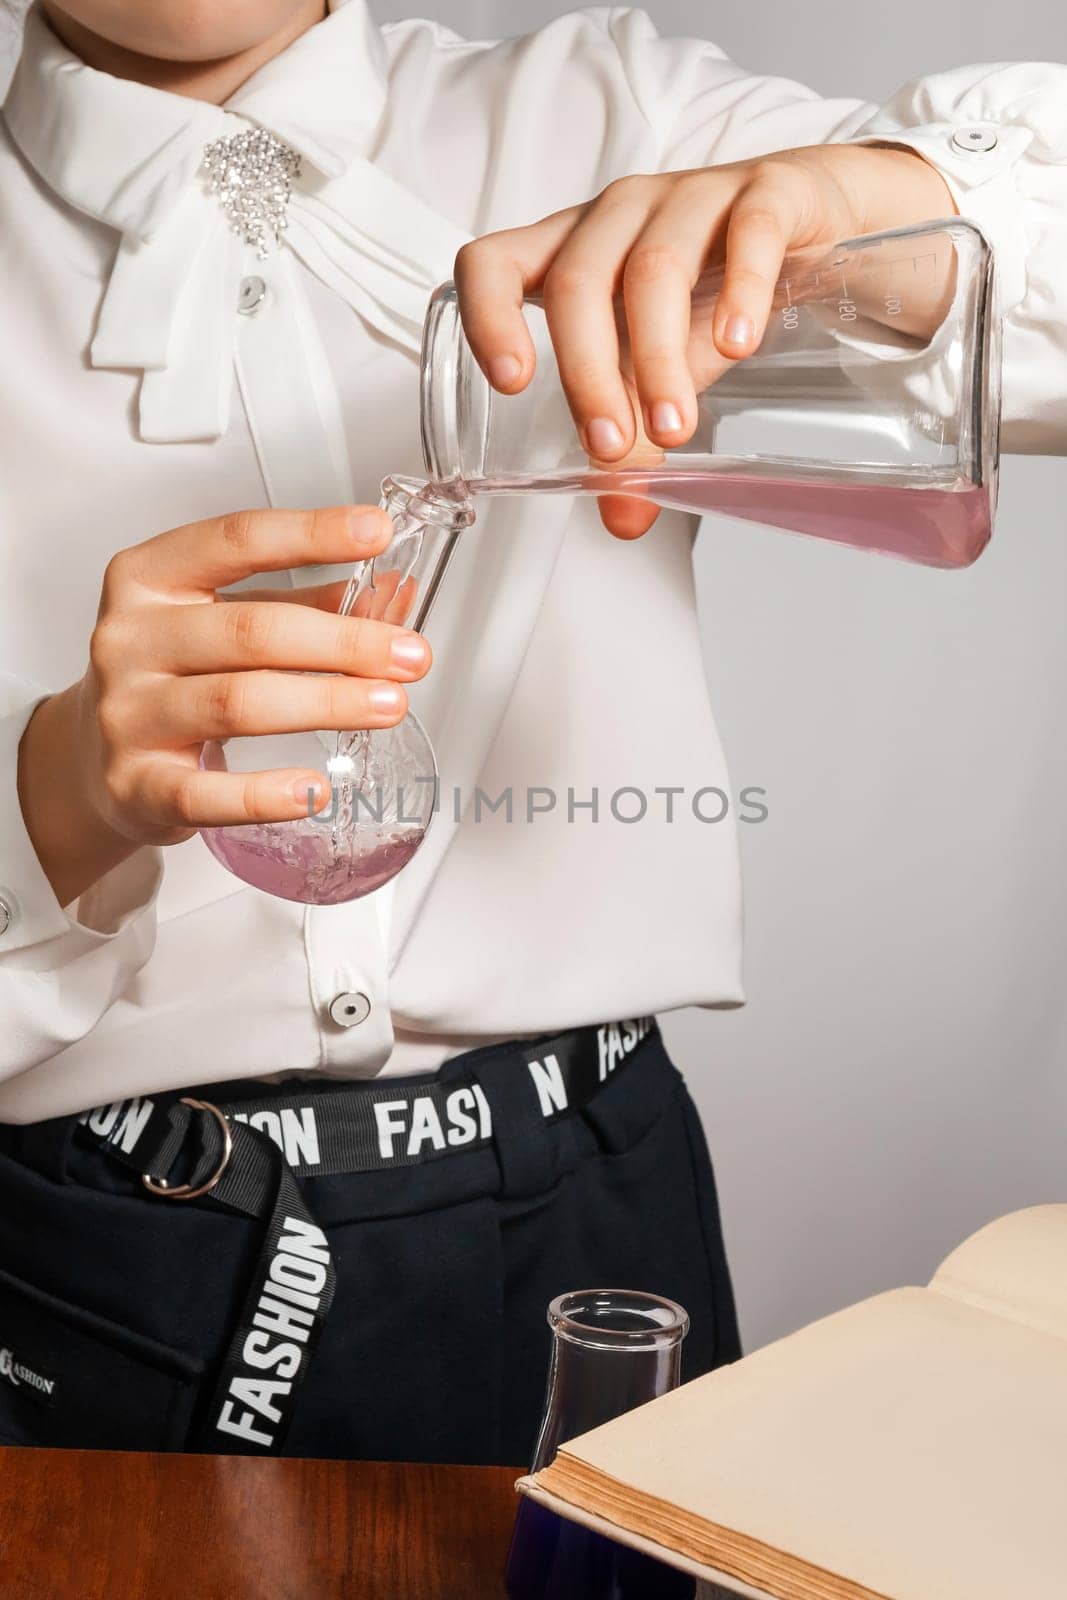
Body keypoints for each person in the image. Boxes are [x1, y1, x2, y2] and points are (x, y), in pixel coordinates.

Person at [0, 0, 1063, 1464]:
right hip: (96, 1254)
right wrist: (47, 795)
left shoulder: (602, 110)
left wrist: (867, 209)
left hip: (595, 1213)